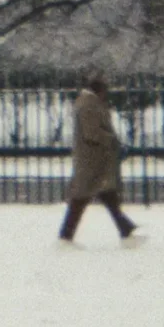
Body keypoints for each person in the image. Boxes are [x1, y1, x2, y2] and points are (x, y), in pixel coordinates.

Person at [58, 73, 136, 242]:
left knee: (106, 194)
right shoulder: (89, 105)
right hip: (92, 159)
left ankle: (126, 229)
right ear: (100, 90)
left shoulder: (89, 103)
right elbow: (91, 133)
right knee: (82, 198)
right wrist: (113, 141)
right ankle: (66, 235)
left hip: (96, 159)